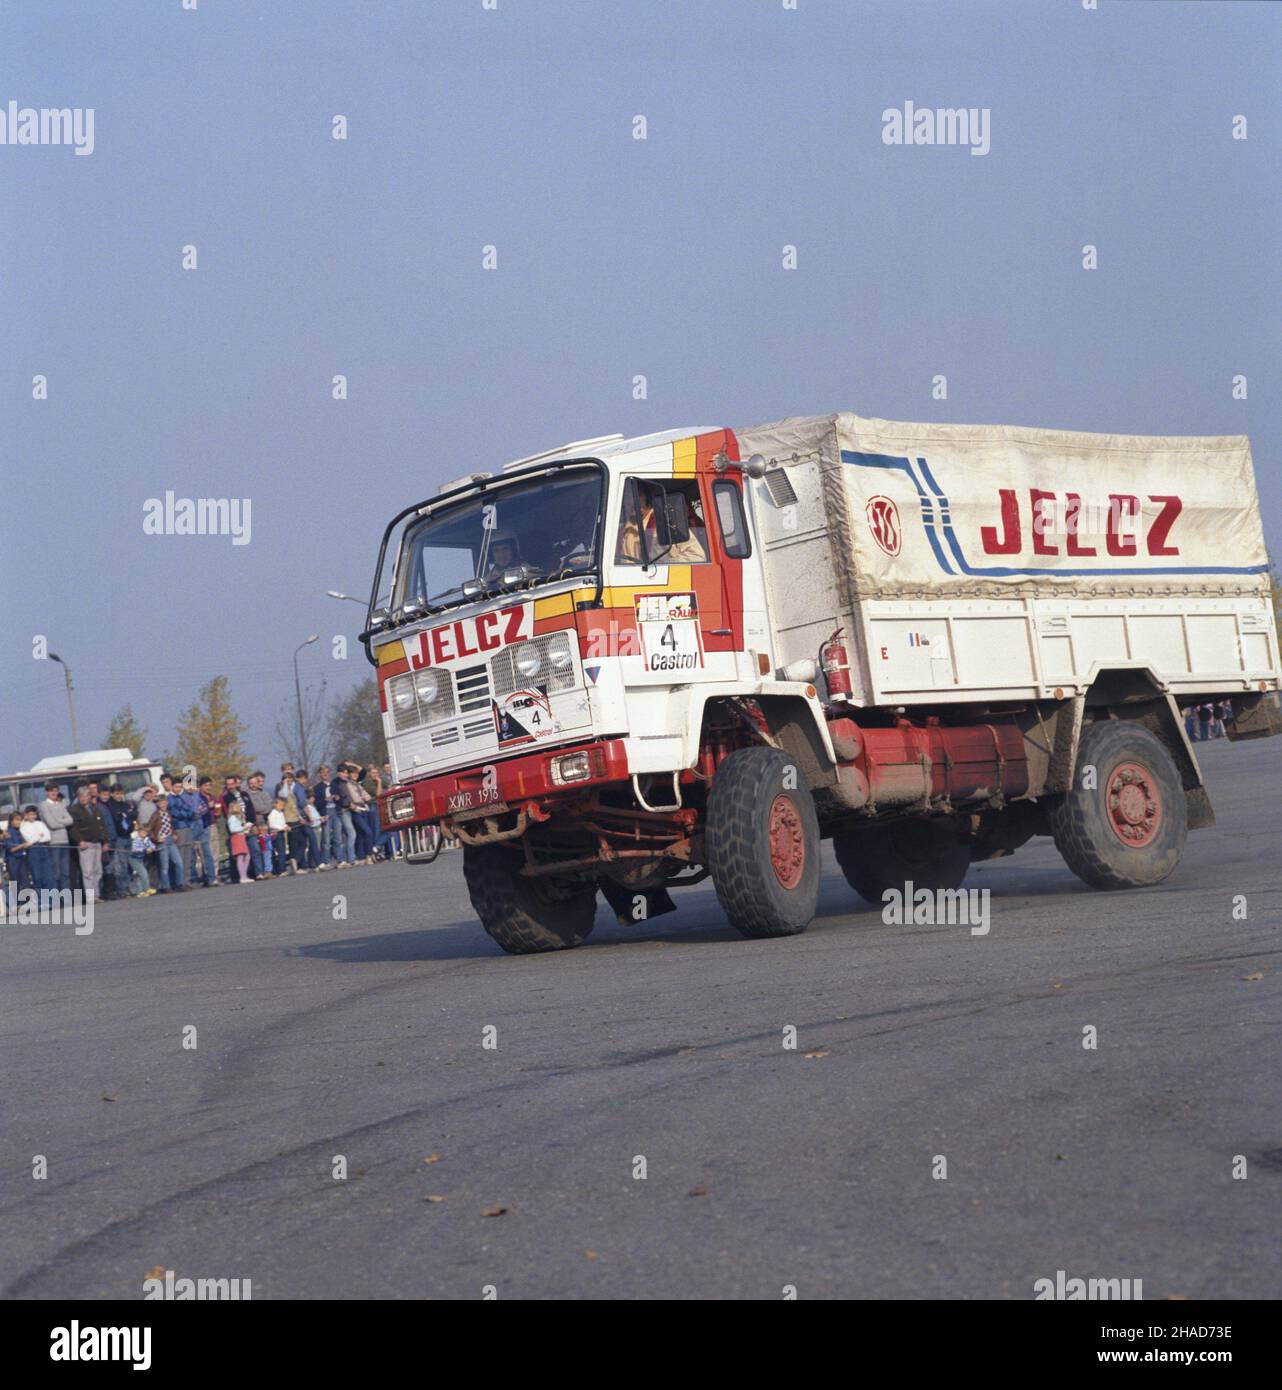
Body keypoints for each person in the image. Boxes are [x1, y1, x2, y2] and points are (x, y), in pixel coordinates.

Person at [68, 784, 111, 900]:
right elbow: (73, 828)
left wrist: (106, 841)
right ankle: (91, 897)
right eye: (81, 796)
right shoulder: (74, 810)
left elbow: (102, 825)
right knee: (88, 872)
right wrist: (80, 840)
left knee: (98, 871)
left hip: (97, 842)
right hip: (85, 843)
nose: (83, 798)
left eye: (85, 796)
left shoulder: (94, 808)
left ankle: (97, 895)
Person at [140, 785, 185, 893]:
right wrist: (156, 838)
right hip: (162, 841)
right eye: (161, 803)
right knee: (164, 865)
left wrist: (173, 833)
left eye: (165, 802)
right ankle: (166, 886)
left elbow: (170, 825)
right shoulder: (155, 815)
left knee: (178, 862)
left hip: (170, 840)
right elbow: (149, 829)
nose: (163, 805)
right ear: (157, 804)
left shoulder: (168, 813)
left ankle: (179, 883)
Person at [37, 782, 74, 892]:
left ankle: (66, 897)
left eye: (56, 790)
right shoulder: (44, 806)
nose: (54, 793)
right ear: (47, 792)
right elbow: (51, 824)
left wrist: (58, 820)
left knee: (65, 872)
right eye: (51, 790)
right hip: (53, 842)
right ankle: (57, 897)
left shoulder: (60, 804)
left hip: (64, 840)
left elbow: (70, 820)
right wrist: (63, 821)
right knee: (56, 872)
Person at [192, 777, 220, 887]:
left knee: (214, 851)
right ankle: (207, 876)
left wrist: (217, 811)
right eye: (206, 785)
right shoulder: (198, 797)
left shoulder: (212, 797)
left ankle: (215, 875)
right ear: (200, 786)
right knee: (204, 852)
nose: (208, 787)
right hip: (202, 826)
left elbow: (217, 809)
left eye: (210, 785)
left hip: (212, 824)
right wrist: (208, 807)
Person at [20, 807, 55, 892]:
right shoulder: (23, 826)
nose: (33, 816)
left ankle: (52, 900)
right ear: (26, 815)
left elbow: (47, 837)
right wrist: (39, 836)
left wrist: (36, 837)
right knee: (37, 876)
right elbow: (29, 839)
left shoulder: (40, 823)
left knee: (48, 875)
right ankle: (42, 901)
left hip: (44, 848)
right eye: (31, 814)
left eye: (34, 814)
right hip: (33, 851)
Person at [330, 765, 357, 866]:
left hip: (349, 810)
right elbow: (337, 795)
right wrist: (346, 803)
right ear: (338, 773)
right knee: (351, 833)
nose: (345, 775)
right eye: (343, 773)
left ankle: (345, 858)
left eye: (346, 773)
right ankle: (351, 859)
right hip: (343, 810)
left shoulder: (347, 782)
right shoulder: (336, 782)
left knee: (346, 836)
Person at [225, 799, 252, 884]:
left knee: (247, 856)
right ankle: (242, 877)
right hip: (236, 838)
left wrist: (246, 830)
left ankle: (244, 875)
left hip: (241, 837)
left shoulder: (239, 818)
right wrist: (243, 828)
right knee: (240, 857)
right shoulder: (232, 818)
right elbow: (233, 829)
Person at [5, 812, 32, 892]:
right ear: (11, 821)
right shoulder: (8, 832)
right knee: (15, 882)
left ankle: (27, 901)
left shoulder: (20, 831)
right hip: (13, 860)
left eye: (20, 820)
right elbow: (11, 849)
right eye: (17, 820)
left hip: (22, 859)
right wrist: (23, 845)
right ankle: (15, 902)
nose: (19, 822)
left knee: (26, 881)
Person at [128, 822, 155, 896]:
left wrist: (151, 848)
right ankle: (147, 889)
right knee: (144, 873)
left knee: (139, 876)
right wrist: (145, 849)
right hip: (134, 860)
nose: (144, 833)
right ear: (139, 832)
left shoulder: (146, 839)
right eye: (142, 832)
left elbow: (152, 846)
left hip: (141, 860)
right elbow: (135, 849)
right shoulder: (136, 840)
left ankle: (140, 891)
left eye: (146, 832)